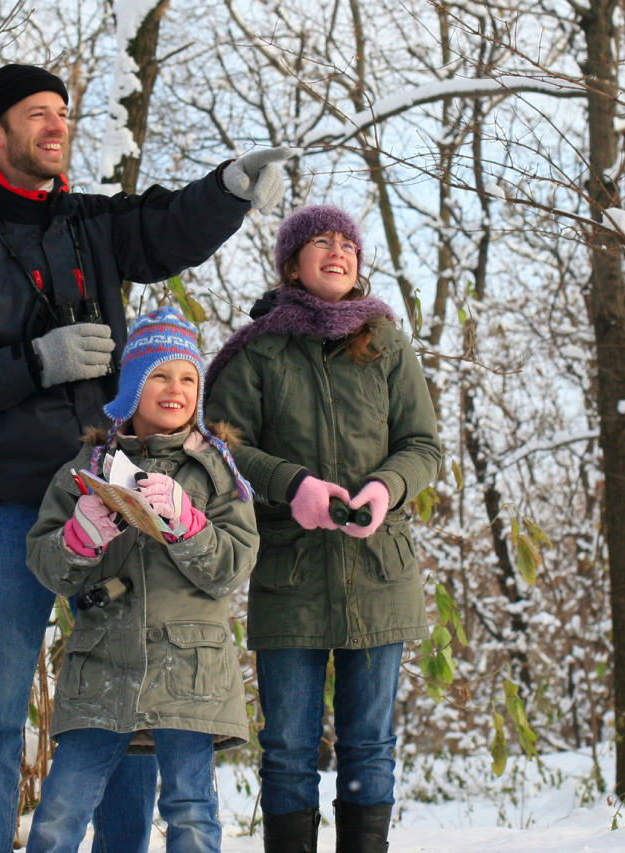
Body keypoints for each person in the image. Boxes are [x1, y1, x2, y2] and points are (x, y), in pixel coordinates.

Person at [0, 62, 290, 851]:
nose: (56, 126)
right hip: (11, 507)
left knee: (127, 707)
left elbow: (167, 227)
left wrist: (231, 186)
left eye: (62, 112)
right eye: (37, 113)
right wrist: (33, 361)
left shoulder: (91, 226)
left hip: (113, 495)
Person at [204, 205, 442, 853]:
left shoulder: (386, 342)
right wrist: (293, 485)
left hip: (379, 571)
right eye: (321, 242)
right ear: (292, 264)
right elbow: (222, 448)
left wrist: (385, 488)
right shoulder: (258, 351)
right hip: (290, 572)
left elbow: (423, 445)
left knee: (369, 744)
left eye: (347, 244)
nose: (338, 252)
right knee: (287, 747)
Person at [23, 308, 258, 853]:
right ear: (132, 386)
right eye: (160, 375)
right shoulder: (87, 467)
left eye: (188, 378)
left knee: (191, 813)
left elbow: (232, 567)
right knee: (59, 814)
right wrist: (79, 537)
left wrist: (188, 524)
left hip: (191, 671)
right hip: (102, 667)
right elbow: (46, 564)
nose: (175, 390)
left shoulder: (216, 471)